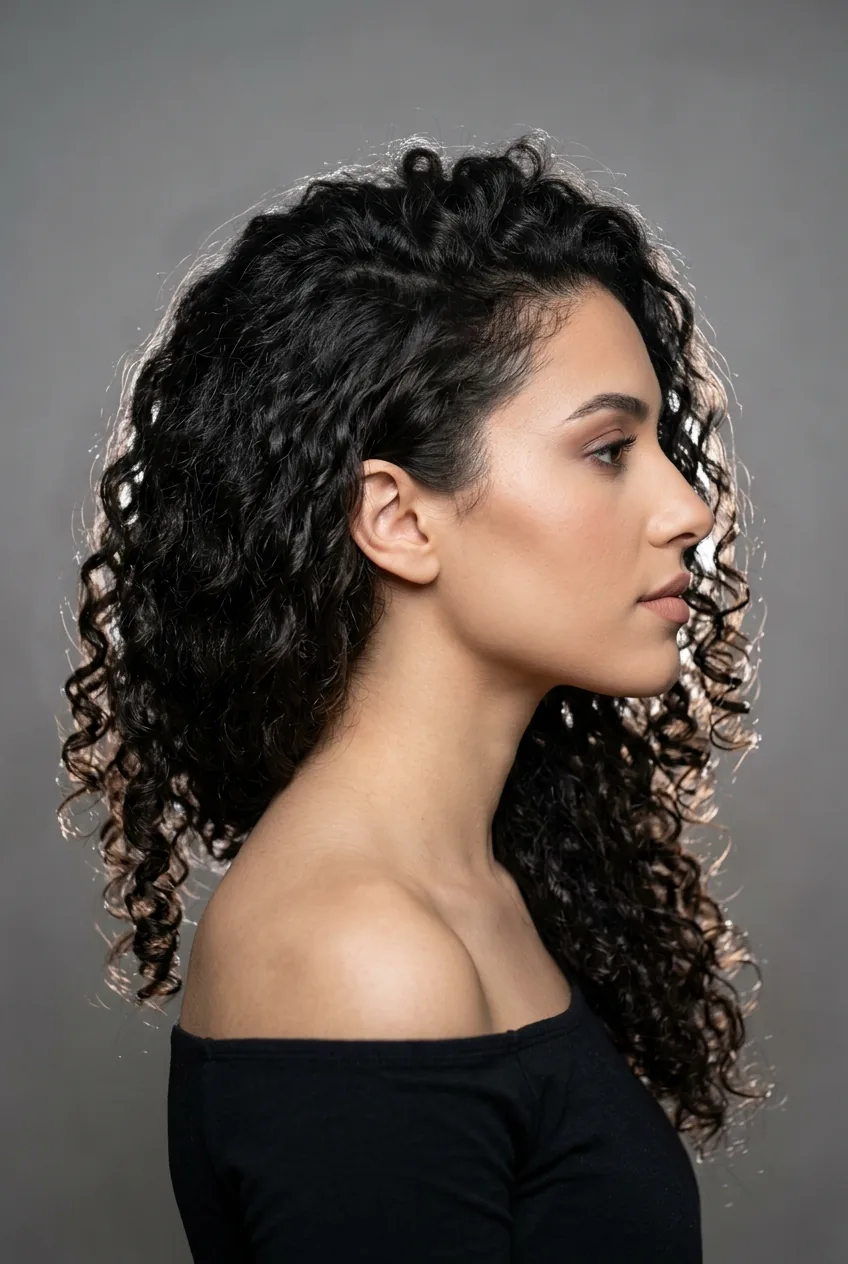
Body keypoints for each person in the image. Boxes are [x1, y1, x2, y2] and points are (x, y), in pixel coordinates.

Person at [58, 130, 772, 1261]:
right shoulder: (357, 951)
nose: (688, 506)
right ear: (397, 518)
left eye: (663, 444)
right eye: (606, 450)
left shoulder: (467, 881)